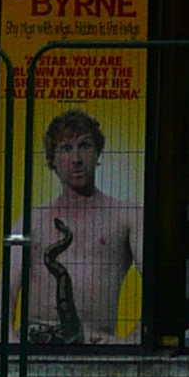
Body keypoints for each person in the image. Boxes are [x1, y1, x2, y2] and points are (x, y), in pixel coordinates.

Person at [24, 106, 141, 345]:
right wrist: (9, 337)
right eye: (66, 149)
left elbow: (158, 280)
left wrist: (134, 339)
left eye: (85, 146)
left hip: (94, 344)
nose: (76, 159)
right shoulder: (33, 219)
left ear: (98, 153)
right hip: (35, 342)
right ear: (52, 160)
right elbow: (5, 289)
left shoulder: (126, 215)